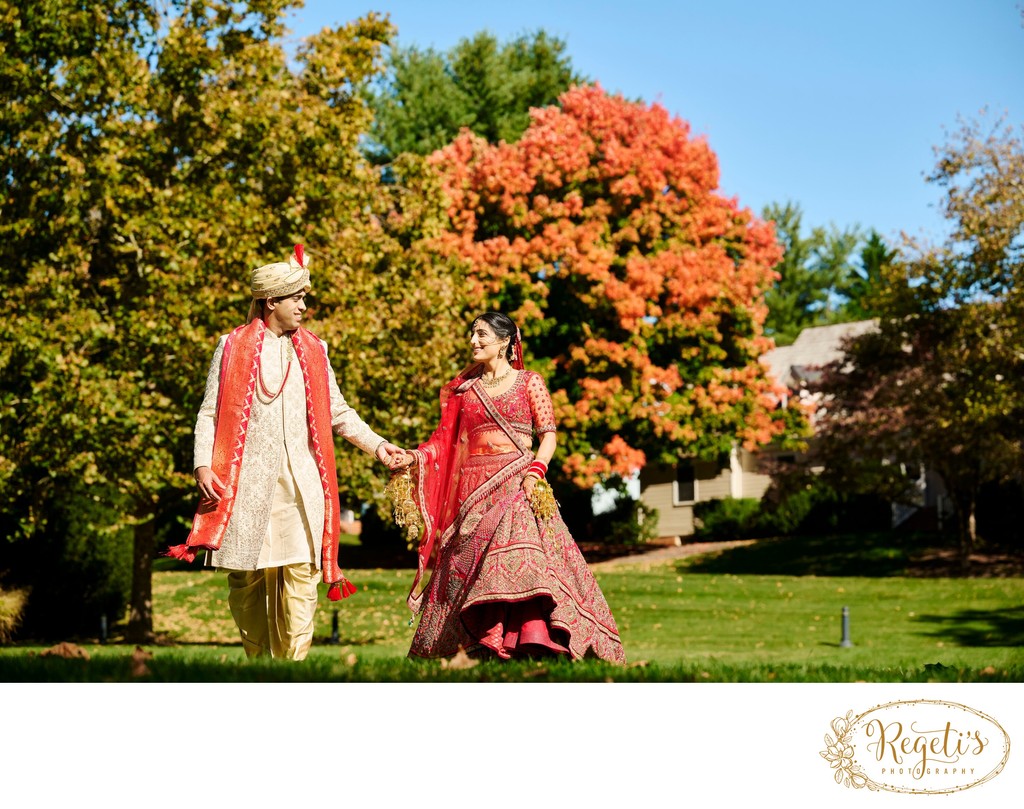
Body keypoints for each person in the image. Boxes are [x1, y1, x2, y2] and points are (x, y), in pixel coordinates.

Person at [167, 244, 403, 660]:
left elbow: (340, 412)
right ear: (271, 301)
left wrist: (379, 446)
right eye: (297, 298)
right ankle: (260, 668)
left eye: (304, 297)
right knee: (246, 585)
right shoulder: (231, 346)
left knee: (300, 579)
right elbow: (209, 412)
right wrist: (203, 464)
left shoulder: (315, 349)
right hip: (245, 487)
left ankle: (294, 671)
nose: (304, 306)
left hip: (301, 486)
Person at [389, 312, 625, 663]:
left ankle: (529, 645)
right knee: (465, 570)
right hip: (472, 492)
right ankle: (470, 649)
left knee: (525, 559)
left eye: (482, 335)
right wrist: (412, 457)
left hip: (518, 484)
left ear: (505, 342)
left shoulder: (530, 382)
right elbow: (444, 443)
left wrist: (535, 472)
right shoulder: (464, 392)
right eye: (472, 335)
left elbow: (548, 436)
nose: (473, 341)